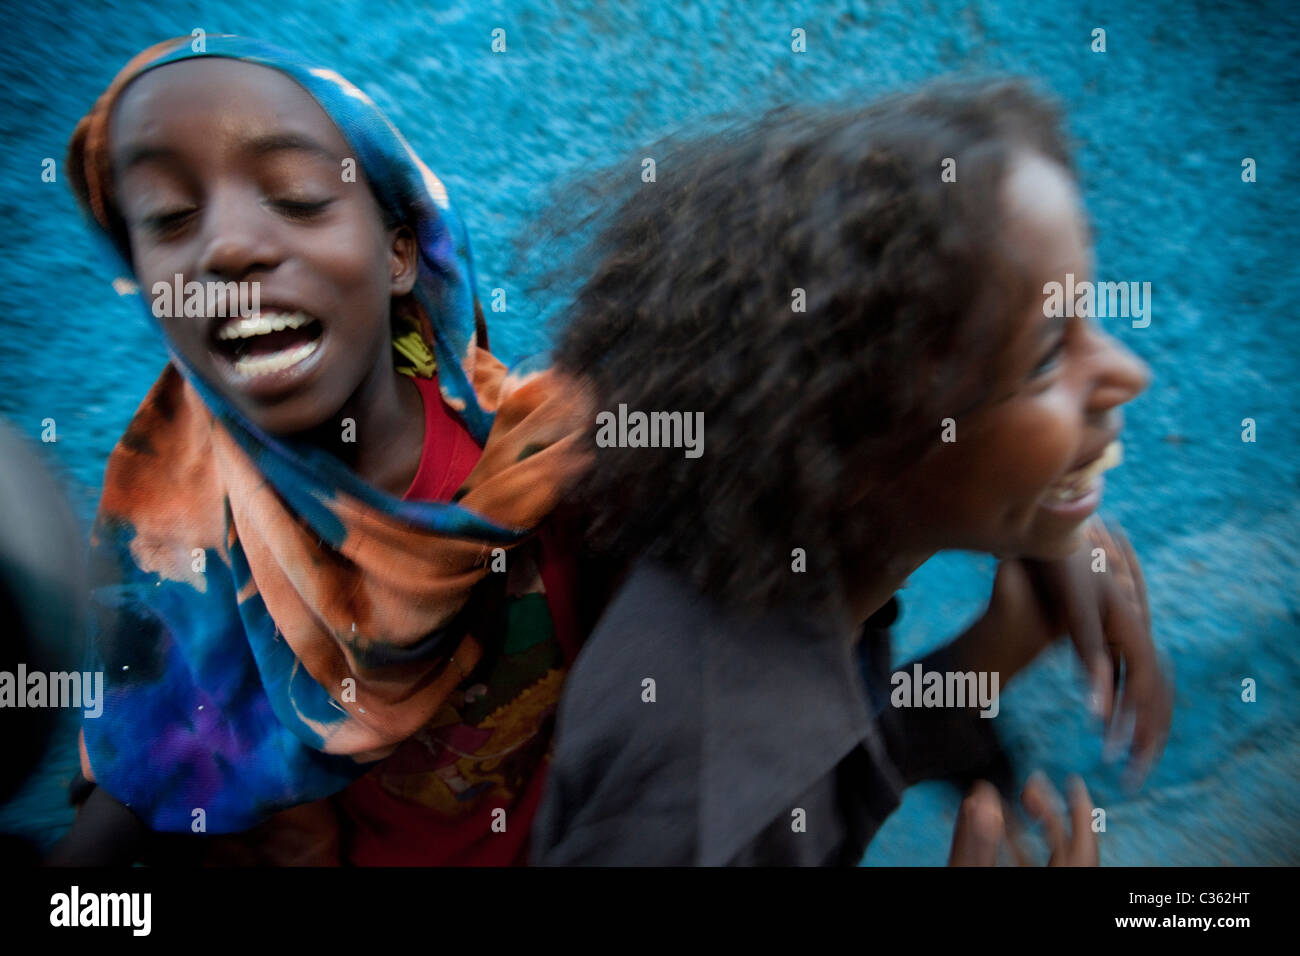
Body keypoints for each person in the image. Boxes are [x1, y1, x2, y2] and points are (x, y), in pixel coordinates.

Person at [530, 79, 1171, 865]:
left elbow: (821, 776)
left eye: (1089, 308)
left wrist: (989, 653)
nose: (1127, 371)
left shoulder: (773, 586)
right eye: (1046, 355)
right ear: (852, 444)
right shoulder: (704, 786)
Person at [47, 35, 592, 866]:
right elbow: (151, 771)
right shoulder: (182, 553)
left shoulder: (537, 456)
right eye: (167, 219)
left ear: (399, 251)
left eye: (298, 196)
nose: (228, 250)